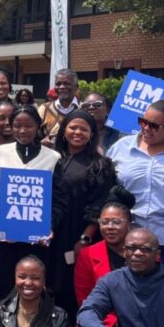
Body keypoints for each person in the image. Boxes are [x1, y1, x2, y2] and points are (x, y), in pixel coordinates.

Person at [106, 100, 164, 274]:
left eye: (154, 126)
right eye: (143, 122)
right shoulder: (121, 148)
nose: (146, 128)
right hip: (130, 238)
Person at [0, 106, 61, 303]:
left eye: (28, 125)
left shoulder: (53, 158)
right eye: (17, 125)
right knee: (3, 282)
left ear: (38, 126)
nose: (22, 130)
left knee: (33, 284)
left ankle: (33, 322)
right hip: (6, 235)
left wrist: (50, 225)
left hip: (38, 237)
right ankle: (2, 321)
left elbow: (59, 199)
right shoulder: (0, 154)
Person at [51, 111, 118, 316]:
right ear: (64, 131)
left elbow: (100, 203)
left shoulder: (100, 165)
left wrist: (85, 238)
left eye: (83, 129)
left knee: (74, 286)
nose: (77, 132)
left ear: (91, 134)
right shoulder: (52, 159)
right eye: (73, 127)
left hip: (79, 233)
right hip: (52, 233)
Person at [72, 189, 136, 327]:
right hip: (106, 325)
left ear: (129, 224)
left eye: (116, 222)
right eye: (104, 222)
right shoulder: (88, 255)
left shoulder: (142, 251)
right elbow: (84, 301)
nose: (109, 227)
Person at [38, 69, 80, 146]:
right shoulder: (44, 109)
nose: (62, 87)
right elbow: (34, 135)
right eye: (58, 84)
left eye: (67, 83)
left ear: (76, 87)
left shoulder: (83, 109)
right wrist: (40, 142)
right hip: (49, 152)